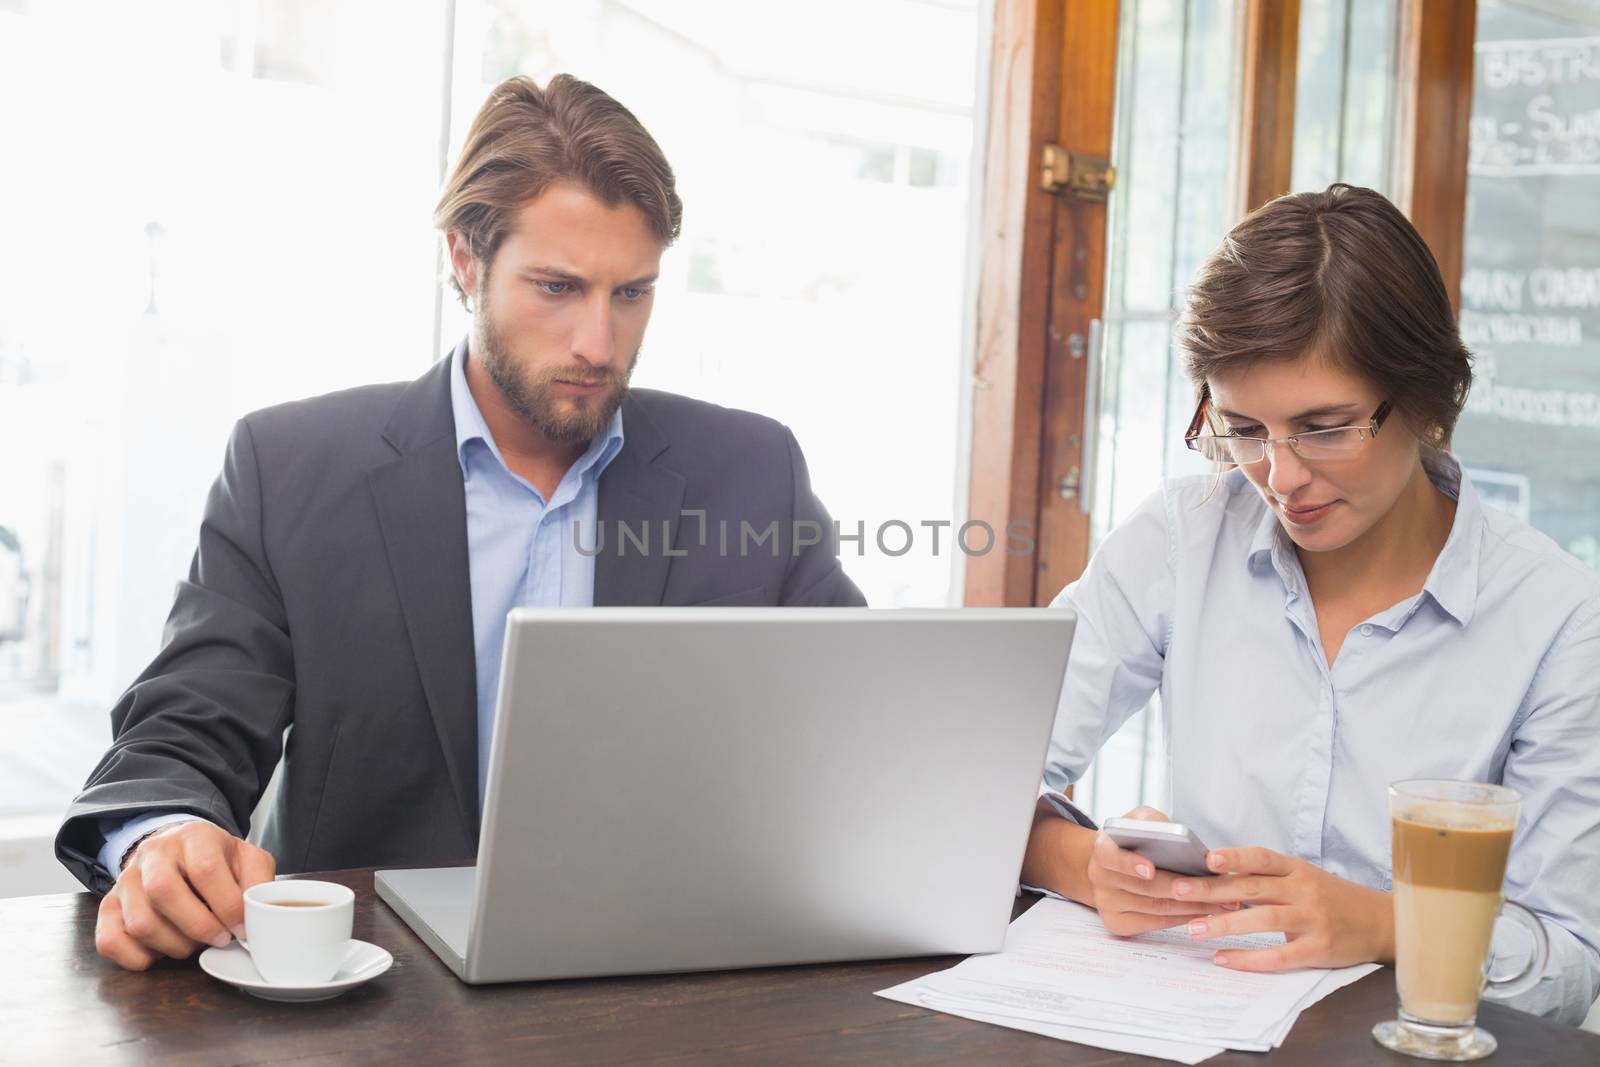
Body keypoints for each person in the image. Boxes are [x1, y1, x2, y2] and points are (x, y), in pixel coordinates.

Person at [59, 74, 864, 972]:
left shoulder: (752, 471)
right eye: (557, 287)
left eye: (631, 294)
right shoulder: (289, 468)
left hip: (685, 978)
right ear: (464, 260)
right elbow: (186, 725)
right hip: (375, 994)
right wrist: (164, 836)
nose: (599, 344)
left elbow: (874, 723)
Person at [1020, 184, 1600, 1024]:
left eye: (1325, 427)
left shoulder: (1558, 618)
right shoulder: (1183, 537)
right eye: (1243, 428)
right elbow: (979, 774)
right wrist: (1084, 864)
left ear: (1430, 397)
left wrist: (1378, 922)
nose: (1280, 477)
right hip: (1185, 1026)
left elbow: (1570, 961)